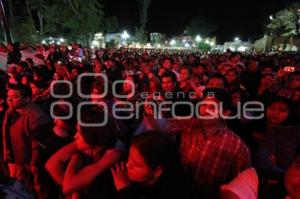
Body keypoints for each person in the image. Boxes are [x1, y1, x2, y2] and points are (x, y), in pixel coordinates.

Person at [45, 106, 123, 198]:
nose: (75, 136)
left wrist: (75, 159)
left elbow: (68, 186)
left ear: (91, 135)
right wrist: (76, 189)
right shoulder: (92, 146)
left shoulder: (113, 154)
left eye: (79, 132)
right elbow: (51, 165)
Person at [1, 83, 51, 198]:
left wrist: (33, 164)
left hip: (28, 165)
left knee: (33, 191)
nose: (9, 99)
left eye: (14, 97)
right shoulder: (10, 112)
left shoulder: (37, 116)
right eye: (8, 96)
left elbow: (37, 145)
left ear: (27, 98)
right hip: (14, 160)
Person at [111, 132, 190, 199]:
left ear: (157, 171)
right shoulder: (125, 171)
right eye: (129, 157)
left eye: (136, 164)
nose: (128, 165)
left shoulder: (174, 190)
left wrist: (124, 190)